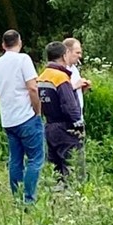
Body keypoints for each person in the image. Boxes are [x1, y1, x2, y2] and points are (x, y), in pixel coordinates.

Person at [0, 30, 44, 205]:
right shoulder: (23, 59)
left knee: (15, 160)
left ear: (3, 45)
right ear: (19, 42)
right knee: (35, 158)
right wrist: (38, 110)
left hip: (8, 119)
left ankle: (17, 197)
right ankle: (29, 199)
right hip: (26, 116)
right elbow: (33, 88)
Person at [38, 41, 84, 188]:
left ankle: (57, 199)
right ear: (64, 56)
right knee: (73, 167)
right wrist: (78, 123)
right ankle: (73, 198)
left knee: (55, 168)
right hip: (66, 128)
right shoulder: (61, 78)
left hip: (49, 126)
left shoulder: (42, 77)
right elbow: (69, 106)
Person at [62, 37, 91, 119]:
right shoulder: (61, 70)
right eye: (77, 53)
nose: (80, 56)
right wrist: (76, 86)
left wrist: (83, 88)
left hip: (78, 114)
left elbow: (75, 92)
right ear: (67, 52)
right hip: (67, 118)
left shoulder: (74, 69)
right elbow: (60, 93)